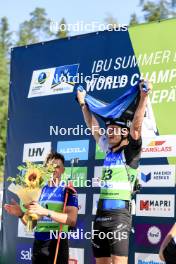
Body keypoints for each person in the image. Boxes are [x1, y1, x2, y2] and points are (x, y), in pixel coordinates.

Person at [77, 80, 152, 264]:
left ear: (124, 133)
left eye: (113, 130)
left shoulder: (131, 152)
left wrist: (143, 97)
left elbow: (136, 126)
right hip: (100, 215)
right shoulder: (107, 148)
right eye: (108, 130)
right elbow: (92, 125)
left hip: (119, 216)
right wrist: (82, 103)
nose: (108, 133)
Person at [4, 151, 78, 264]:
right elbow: (31, 224)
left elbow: (71, 220)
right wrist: (20, 214)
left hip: (57, 243)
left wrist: (45, 211)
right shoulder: (39, 190)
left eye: (57, 167)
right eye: (50, 166)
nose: (53, 169)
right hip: (39, 244)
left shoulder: (68, 190)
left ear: (63, 170)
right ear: (45, 169)